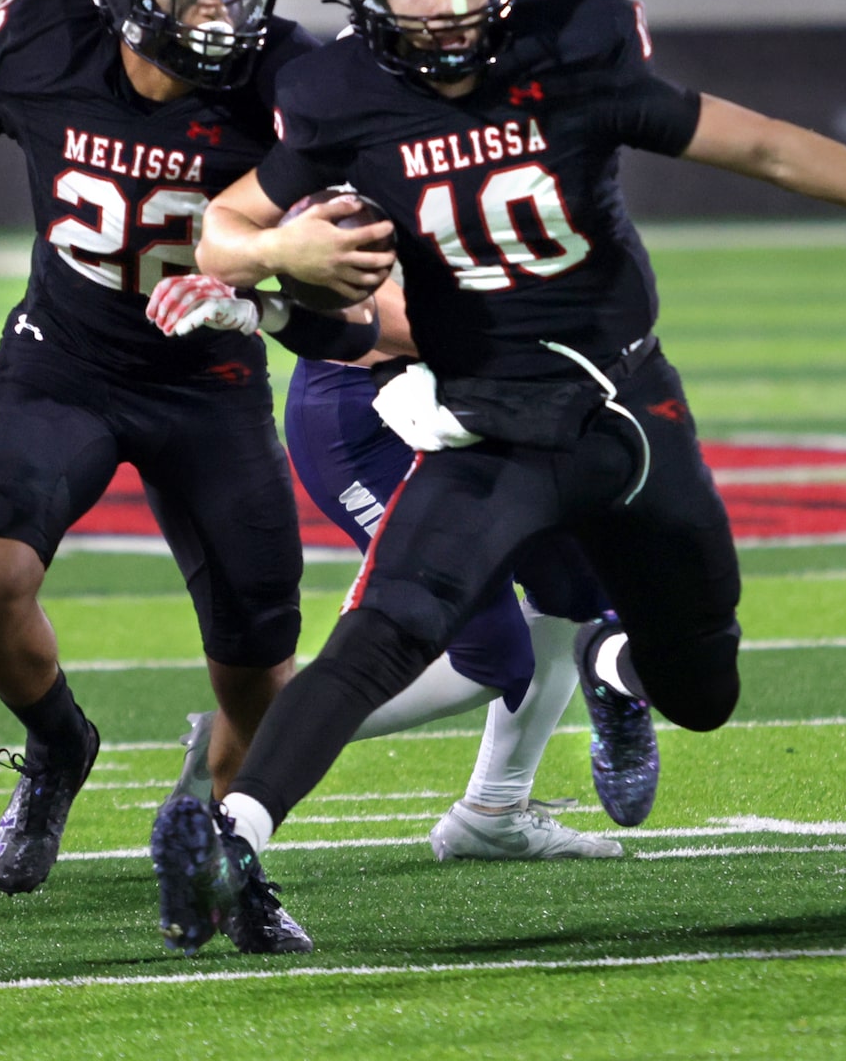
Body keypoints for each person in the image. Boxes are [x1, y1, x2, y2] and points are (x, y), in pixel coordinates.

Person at [147, 0, 846, 954]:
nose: (448, 4)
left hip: (626, 415)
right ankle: (231, 829)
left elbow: (757, 144)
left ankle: (617, 669)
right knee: (389, 627)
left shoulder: (574, 54)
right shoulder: (338, 98)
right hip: (490, 421)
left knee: (704, 689)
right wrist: (275, 247)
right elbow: (212, 228)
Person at [0, 0, 370, 952]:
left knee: (259, 667)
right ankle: (57, 744)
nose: (222, 13)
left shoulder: (285, 84)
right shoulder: (47, 43)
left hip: (210, 385)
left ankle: (227, 849)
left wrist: (274, 281)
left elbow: (349, 302)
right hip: (63, 363)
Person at [147, 261, 651, 860]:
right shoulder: (369, 184)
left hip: (469, 402)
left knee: (574, 587)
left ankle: (494, 812)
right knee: (490, 657)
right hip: (365, 421)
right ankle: (252, 729)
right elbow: (387, 317)